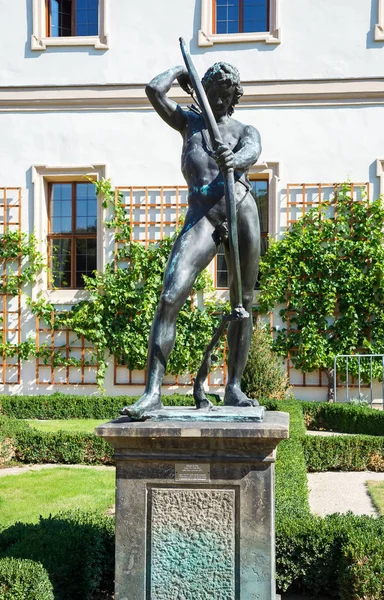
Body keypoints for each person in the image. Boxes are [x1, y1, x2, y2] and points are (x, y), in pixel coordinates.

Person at [121, 61, 262, 419]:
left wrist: (235, 158)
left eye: (224, 94)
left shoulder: (244, 129)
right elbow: (154, 90)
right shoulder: (190, 123)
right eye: (211, 91)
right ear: (203, 91)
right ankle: (152, 393)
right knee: (170, 295)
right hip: (202, 217)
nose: (217, 99)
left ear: (233, 98)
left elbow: (252, 151)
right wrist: (179, 73)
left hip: (240, 210)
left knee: (242, 302)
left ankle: (234, 388)